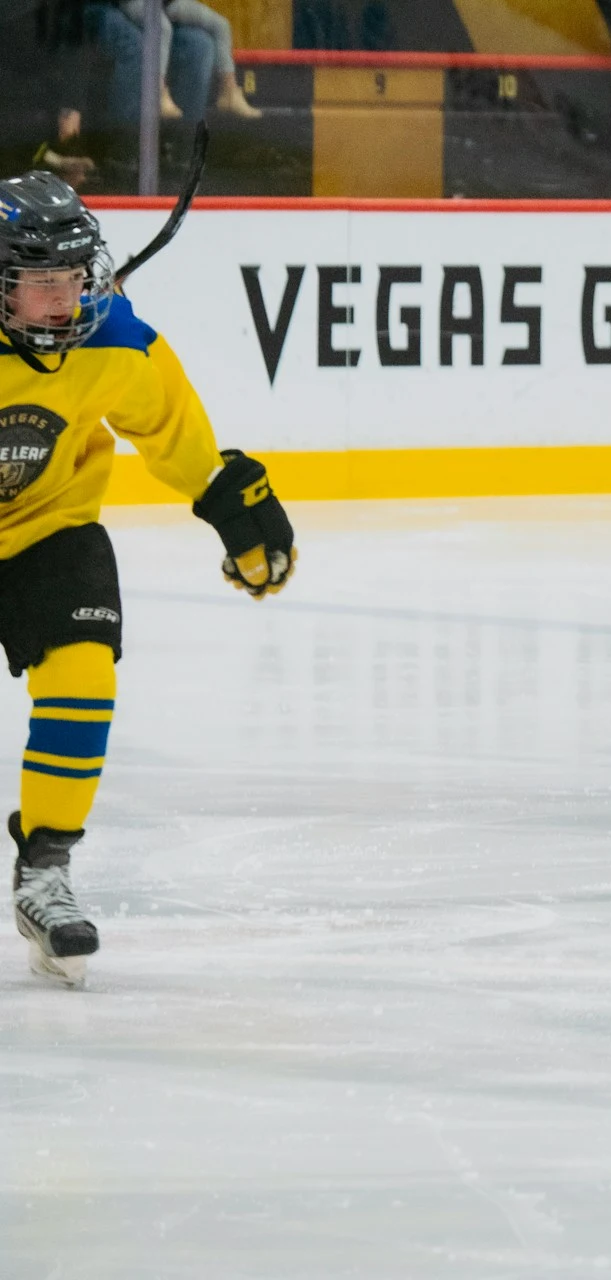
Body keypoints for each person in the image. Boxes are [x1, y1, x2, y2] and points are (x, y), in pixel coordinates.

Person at [0, 169, 296, 985]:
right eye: (40, 284)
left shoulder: (113, 339)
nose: (65, 300)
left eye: (73, 277)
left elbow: (174, 433)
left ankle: (45, 871)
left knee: (85, 678)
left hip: (48, 529)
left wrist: (231, 505)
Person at [117, 0, 261, 118]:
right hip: (136, 3)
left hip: (169, 4)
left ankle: (229, 92)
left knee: (221, 25)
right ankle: (157, 94)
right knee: (162, 28)